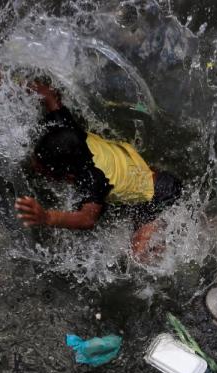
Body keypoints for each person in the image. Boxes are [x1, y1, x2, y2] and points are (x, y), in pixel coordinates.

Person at [16, 81, 183, 261]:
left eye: (44, 168)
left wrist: (48, 217)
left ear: (69, 174)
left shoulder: (93, 177)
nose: (36, 165)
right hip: (144, 180)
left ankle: (181, 250)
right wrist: (14, 84)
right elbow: (48, 94)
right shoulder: (66, 130)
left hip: (161, 195)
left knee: (138, 257)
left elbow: (87, 219)